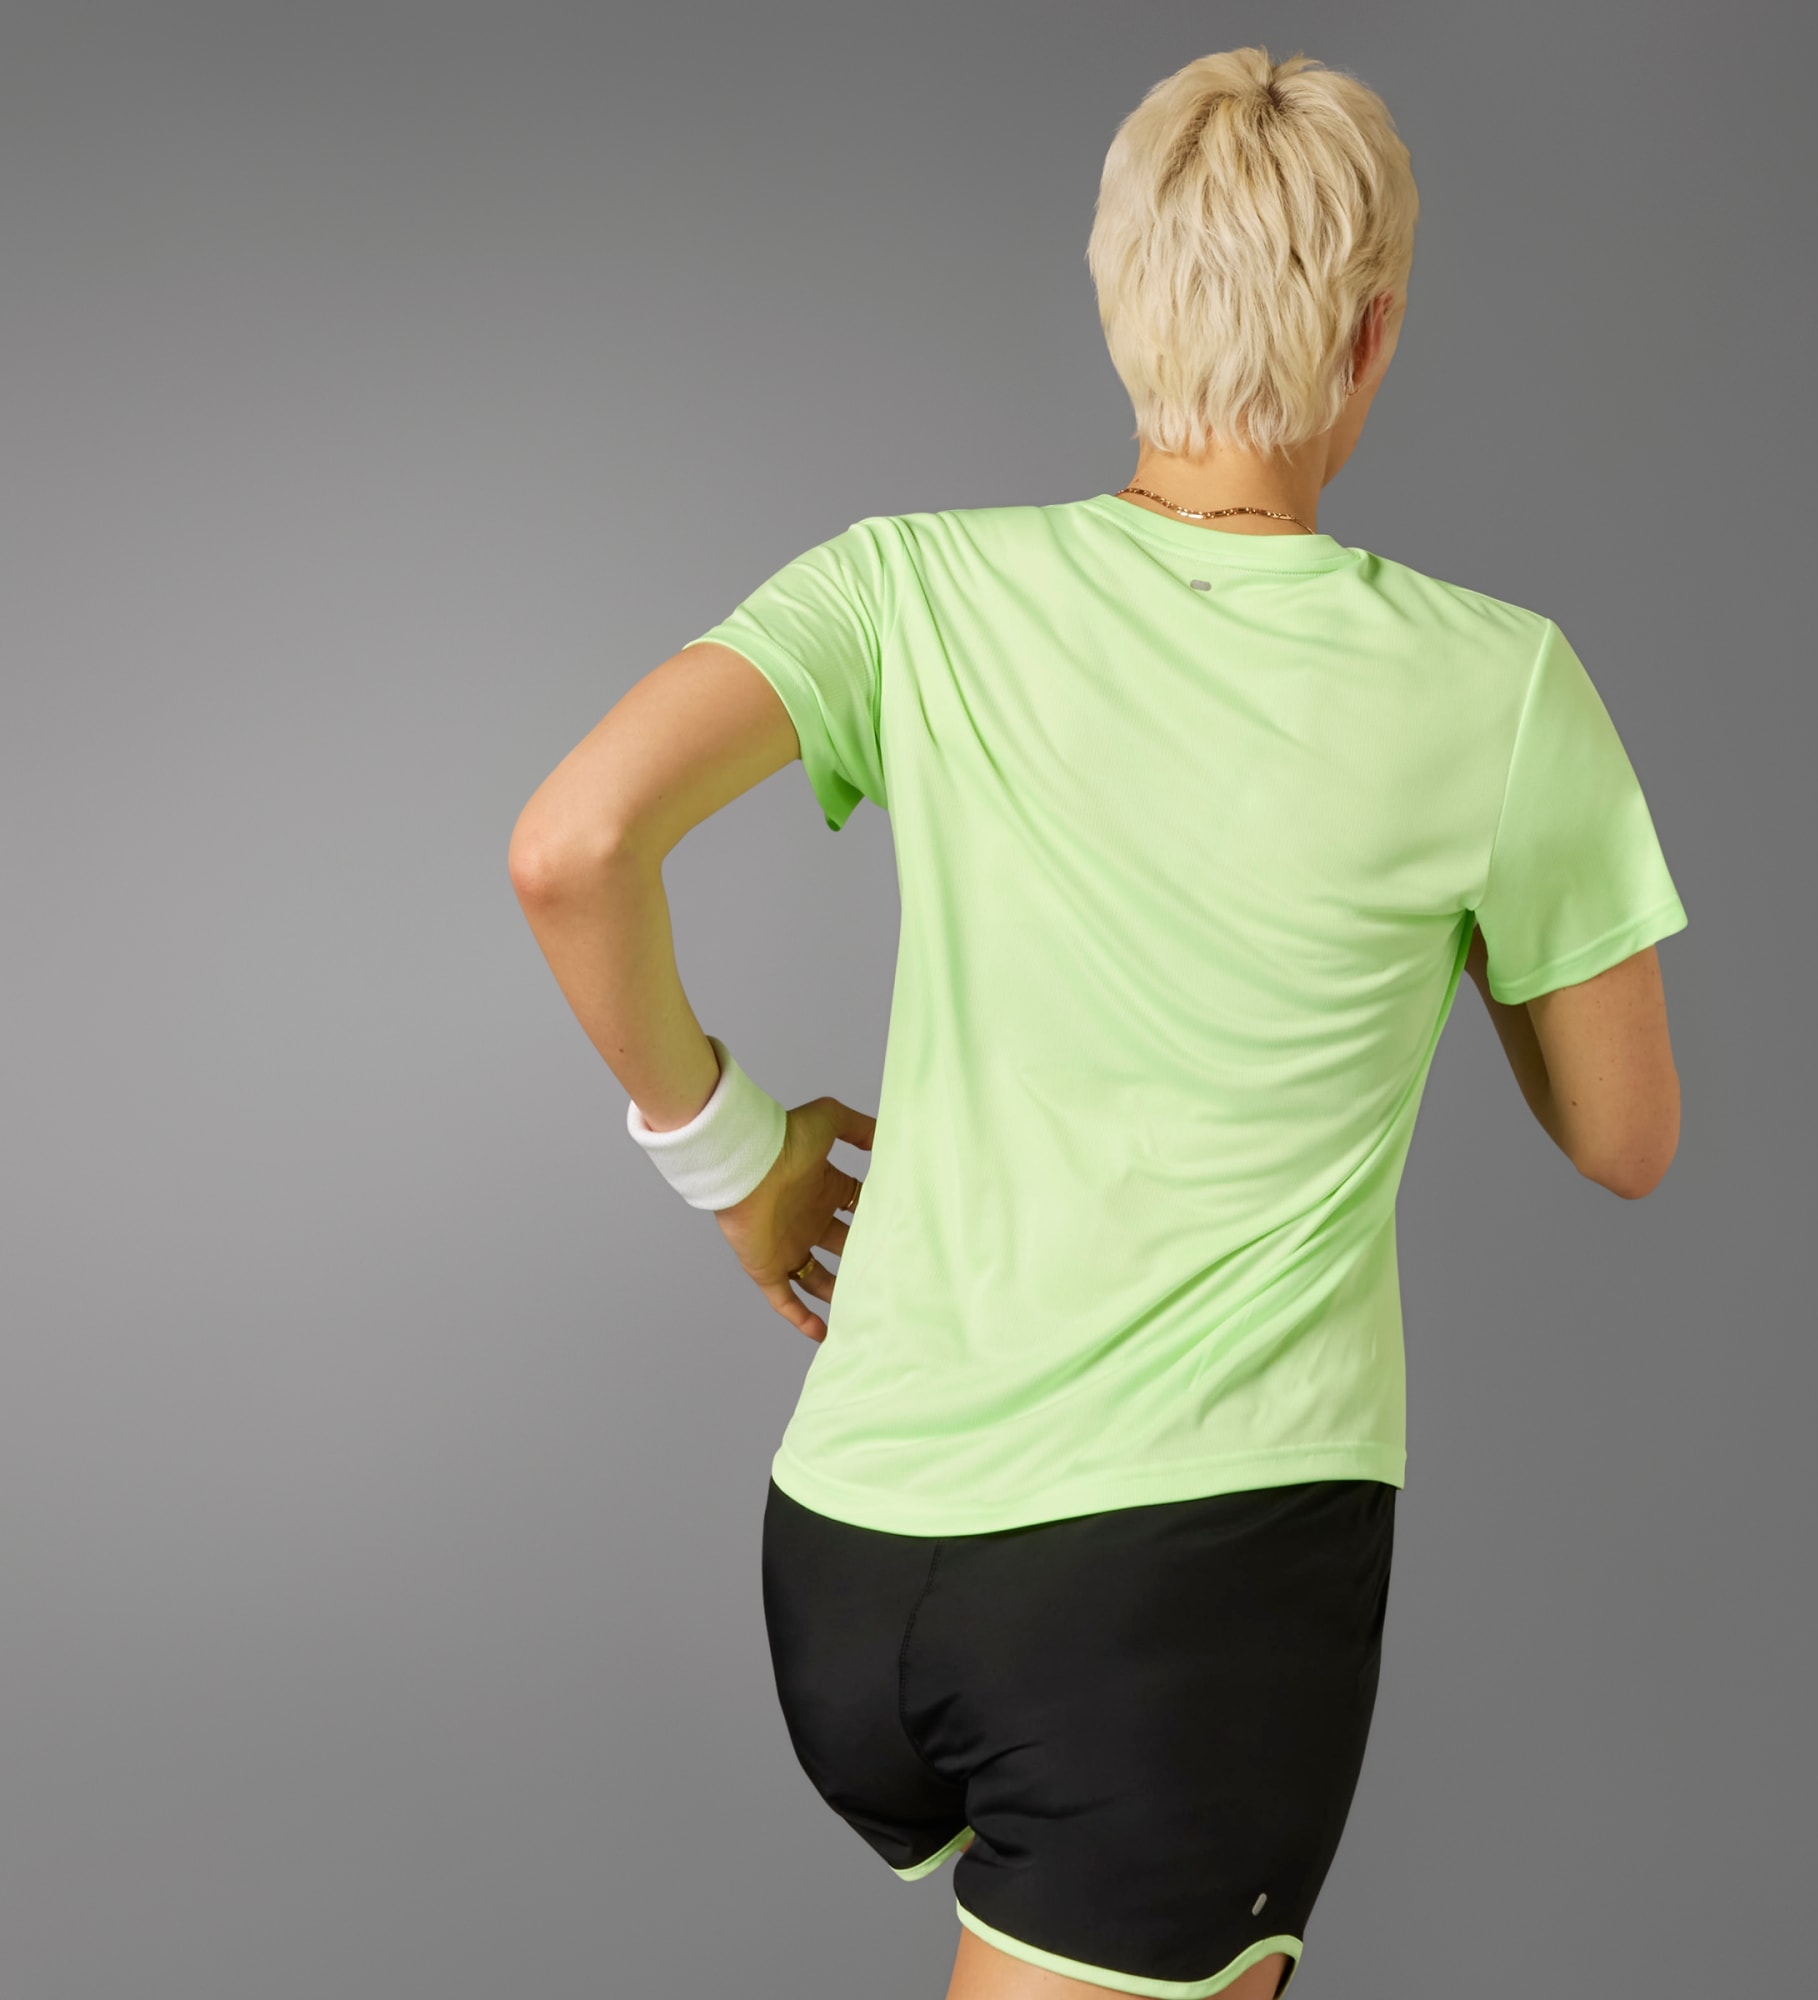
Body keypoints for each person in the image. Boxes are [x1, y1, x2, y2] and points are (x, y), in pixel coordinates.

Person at [507, 44, 1686, 2000]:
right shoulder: (1495, 687)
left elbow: (572, 845)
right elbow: (1624, 1136)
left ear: (1118, 297)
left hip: (853, 1546)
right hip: (1173, 1590)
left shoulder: (911, 586)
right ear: (1373, 333)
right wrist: (1470, 895)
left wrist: (740, 1162)